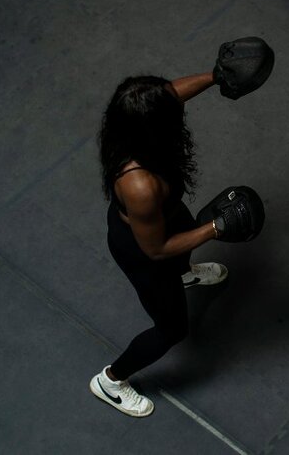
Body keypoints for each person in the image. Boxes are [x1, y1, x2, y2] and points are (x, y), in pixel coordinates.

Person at [91, 37, 272, 417]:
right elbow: (155, 249)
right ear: (154, 129)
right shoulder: (139, 185)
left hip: (164, 215)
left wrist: (217, 76)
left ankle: (184, 273)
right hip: (144, 252)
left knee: (184, 228)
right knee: (171, 328)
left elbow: (169, 94)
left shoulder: (131, 117)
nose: (178, 108)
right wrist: (217, 227)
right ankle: (112, 380)